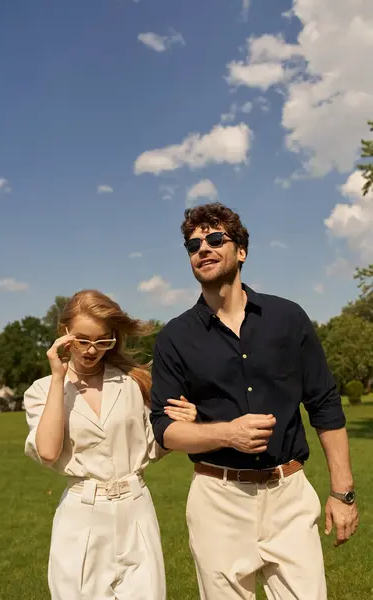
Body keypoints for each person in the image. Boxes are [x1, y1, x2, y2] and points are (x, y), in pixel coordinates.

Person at [150, 203, 359, 600]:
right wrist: (227, 433)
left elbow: (325, 403)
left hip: (289, 495)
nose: (203, 249)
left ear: (241, 251)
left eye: (215, 239)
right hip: (218, 502)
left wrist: (342, 492)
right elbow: (164, 429)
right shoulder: (175, 338)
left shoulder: (288, 318)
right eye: (193, 245)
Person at [23, 290, 197, 600]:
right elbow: (48, 452)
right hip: (81, 516)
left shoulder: (134, 382)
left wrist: (182, 423)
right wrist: (56, 378)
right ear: (64, 333)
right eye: (82, 339)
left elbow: (154, 447)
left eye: (103, 341)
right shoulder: (42, 391)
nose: (92, 350)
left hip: (136, 509)